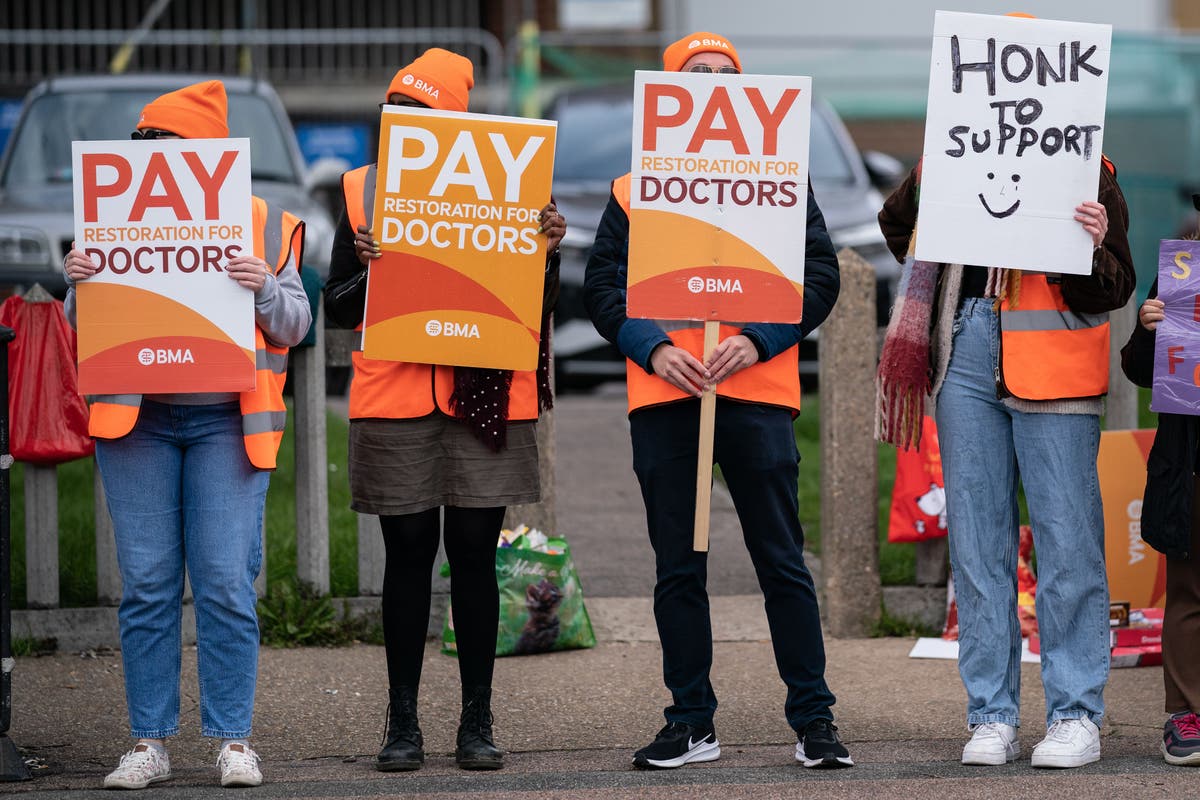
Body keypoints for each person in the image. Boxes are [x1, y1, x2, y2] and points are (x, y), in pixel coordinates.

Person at [583, 31, 850, 771]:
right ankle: (690, 721)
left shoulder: (782, 181)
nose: (711, 83)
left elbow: (818, 276)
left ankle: (814, 720)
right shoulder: (633, 190)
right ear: (667, 93)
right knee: (679, 565)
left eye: (725, 73)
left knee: (781, 561)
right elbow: (601, 288)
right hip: (667, 396)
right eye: (696, 73)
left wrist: (759, 339)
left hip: (757, 393)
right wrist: (655, 347)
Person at [62, 80, 311, 789]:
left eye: (161, 144)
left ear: (203, 152)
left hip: (226, 423)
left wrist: (264, 284)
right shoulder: (110, 208)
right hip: (138, 421)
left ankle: (234, 741)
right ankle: (150, 742)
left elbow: (297, 325)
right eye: (141, 144)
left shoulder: (266, 222)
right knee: (146, 586)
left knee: (227, 583)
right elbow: (87, 328)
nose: (148, 158)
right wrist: (78, 283)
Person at [323, 48, 563, 773]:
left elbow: (538, 308)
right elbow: (336, 309)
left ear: (454, 124)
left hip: (479, 401)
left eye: (420, 113)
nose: (403, 124)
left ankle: (476, 722)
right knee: (406, 561)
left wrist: (547, 254)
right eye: (395, 111)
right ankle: (401, 725)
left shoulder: (508, 187)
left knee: (473, 561)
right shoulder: (362, 191)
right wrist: (367, 270)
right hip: (395, 400)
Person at [876, 153, 1135, 765]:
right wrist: (926, 177)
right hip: (963, 352)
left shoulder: (1088, 165)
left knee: (1068, 542)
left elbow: (1116, 285)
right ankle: (991, 716)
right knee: (976, 544)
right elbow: (898, 227)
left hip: (1057, 366)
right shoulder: (955, 150)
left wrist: (1092, 244)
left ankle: (1075, 715)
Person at [1120, 227, 1200, 766]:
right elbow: (1135, 366)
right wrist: (1150, 329)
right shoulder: (1183, 270)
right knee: (1190, 592)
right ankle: (1187, 713)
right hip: (1190, 466)